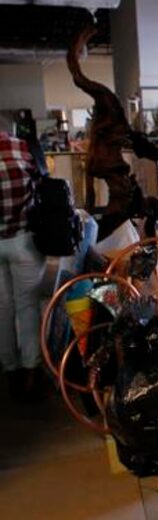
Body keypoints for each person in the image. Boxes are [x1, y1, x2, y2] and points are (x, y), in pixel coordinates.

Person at [0, 131, 47, 402]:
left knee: (2, 310)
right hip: (23, 241)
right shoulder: (21, 147)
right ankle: (31, 371)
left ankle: (10, 372)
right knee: (27, 306)